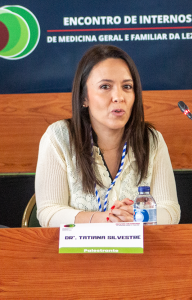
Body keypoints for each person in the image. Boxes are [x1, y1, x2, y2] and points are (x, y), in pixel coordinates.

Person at [35, 45, 180, 226]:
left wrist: (136, 216)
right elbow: (49, 212)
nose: (119, 97)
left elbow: (171, 210)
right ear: (84, 98)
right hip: (80, 252)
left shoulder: (151, 140)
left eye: (127, 86)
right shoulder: (59, 137)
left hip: (139, 252)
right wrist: (105, 219)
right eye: (105, 86)